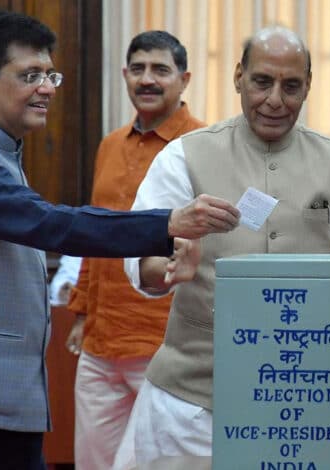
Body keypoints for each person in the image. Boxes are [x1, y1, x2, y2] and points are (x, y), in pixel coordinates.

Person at [0, 9, 240, 470]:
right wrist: (168, 223)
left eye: (49, 73)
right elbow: (53, 225)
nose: (48, 88)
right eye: (30, 75)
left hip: (4, 398)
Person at [112, 25, 330, 468]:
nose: (275, 100)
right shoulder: (184, 157)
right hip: (192, 401)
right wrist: (167, 268)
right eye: (262, 82)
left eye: (291, 86)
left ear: (309, 86)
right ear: (239, 77)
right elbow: (141, 259)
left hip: (308, 401)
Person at [63, 31, 207, 470]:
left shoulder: (204, 146)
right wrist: (83, 314)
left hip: (166, 345)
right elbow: (95, 233)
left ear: (184, 80)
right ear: (125, 75)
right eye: (139, 69)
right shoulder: (110, 145)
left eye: (160, 70)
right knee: (93, 462)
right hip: (102, 341)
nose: (148, 79)